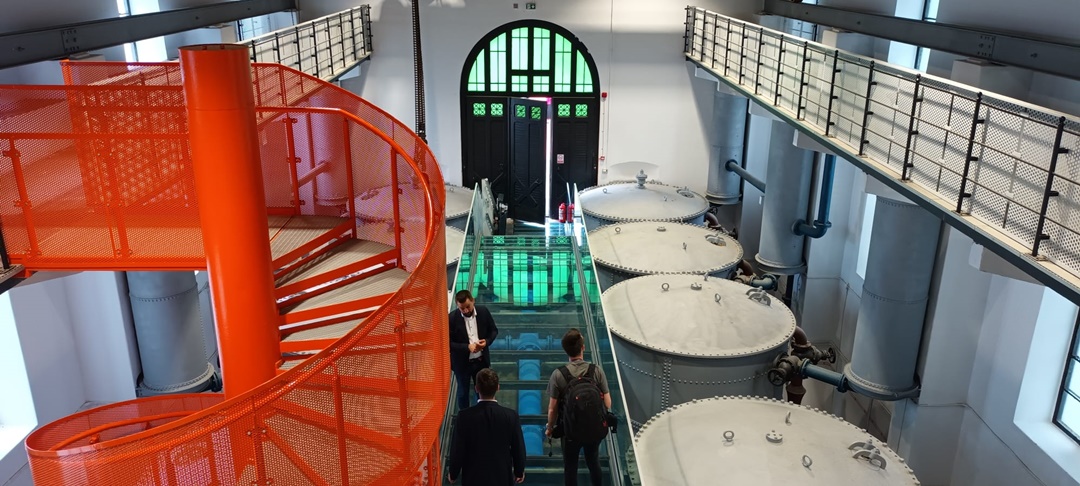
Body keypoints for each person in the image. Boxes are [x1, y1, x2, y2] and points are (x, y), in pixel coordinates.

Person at [545, 329, 612, 486]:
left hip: (569, 430)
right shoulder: (596, 370)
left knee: (570, 467)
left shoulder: (558, 374)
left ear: (565, 350)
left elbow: (552, 409)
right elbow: (608, 403)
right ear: (583, 347)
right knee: (593, 461)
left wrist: (550, 428)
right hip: (594, 428)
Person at [447, 368, 526, 485]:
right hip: (502, 477)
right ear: (498, 388)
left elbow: (457, 449)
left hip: (473, 478)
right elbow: (518, 447)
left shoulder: (464, 416)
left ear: (476, 388)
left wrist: (453, 473)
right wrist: (519, 471)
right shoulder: (511, 416)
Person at [448, 289, 498, 410]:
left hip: (481, 361)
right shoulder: (452, 318)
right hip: (462, 364)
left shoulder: (483, 312)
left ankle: (483, 414)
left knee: (483, 392)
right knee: (463, 393)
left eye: (468, 307)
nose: (466, 310)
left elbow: (493, 331)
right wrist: (466, 347)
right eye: (462, 308)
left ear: (473, 301)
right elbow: (448, 343)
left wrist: (486, 342)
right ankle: (464, 416)